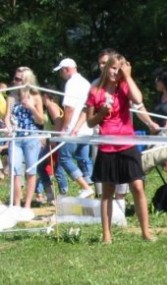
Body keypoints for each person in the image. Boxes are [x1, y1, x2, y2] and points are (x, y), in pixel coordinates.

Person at [85, 53, 153, 243]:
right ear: (106, 68)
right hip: (107, 146)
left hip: (127, 143)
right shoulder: (94, 91)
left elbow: (138, 99)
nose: (116, 72)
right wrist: (101, 113)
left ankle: (145, 231)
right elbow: (90, 122)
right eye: (113, 67)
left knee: (138, 187)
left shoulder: (124, 87)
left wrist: (128, 76)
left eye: (120, 68)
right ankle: (107, 234)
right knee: (108, 191)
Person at [4, 66, 44, 213]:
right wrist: (8, 127)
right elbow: (7, 117)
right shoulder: (11, 97)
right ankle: (16, 205)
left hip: (31, 137)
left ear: (26, 80)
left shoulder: (36, 96)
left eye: (18, 79)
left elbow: (40, 121)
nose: (15, 81)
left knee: (31, 171)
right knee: (15, 171)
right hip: (16, 138)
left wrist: (32, 108)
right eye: (15, 78)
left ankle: (27, 206)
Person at [53, 58, 95, 198]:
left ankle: (86, 187)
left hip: (72, 129)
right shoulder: (85, 82)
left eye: (61, 71)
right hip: (86, 128)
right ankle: (91, 188)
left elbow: (69, 108)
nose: (60, 75)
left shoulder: (71, 84)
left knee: (64, 158)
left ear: (67, 69)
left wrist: (64, 128)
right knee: (84, 159)